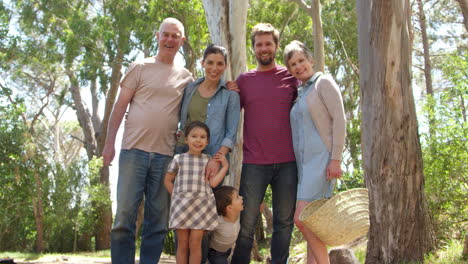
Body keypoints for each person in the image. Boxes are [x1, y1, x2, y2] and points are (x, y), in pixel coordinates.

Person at [102, 17, 193, 264]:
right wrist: (109, 145)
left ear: (182, 41)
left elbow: (198, 105)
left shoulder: (186, 77)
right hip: (133, 152)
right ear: (157, 36)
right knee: (124, 217)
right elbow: (119, 107)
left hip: (165, 156)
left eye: (175, 36)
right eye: (166, 34)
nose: (170, 40)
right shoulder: (140, 67)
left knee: (158, 221)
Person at [231, 23, 300, 264]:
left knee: (283, 223)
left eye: (268, 43)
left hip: (288, 163)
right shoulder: (244, 80)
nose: (264, 48)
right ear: (253, 48)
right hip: (254, 163)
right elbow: (228, 114)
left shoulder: (291, 78)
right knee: (246, 224)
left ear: (276, 46)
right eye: (259, 44)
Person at [283, 40, 346, 264]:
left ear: (311, 60)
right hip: (303, 166)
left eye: (301, 60)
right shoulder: (300, 92)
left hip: (321, 163)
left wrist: (336, 159)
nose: (299, 66)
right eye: (293, 64)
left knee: (302, 219)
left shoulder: (323, 83)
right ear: (289, 70)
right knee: (312, 223)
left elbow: (340, 119)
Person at [164, 121, 229, 264]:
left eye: (202, 137)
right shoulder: (178, 159)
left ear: (207, 141)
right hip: (181, 207)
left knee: (195, 243)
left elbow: (212, 183)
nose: (198, 140)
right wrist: (176, 197)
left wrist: (224, 166)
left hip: (201, 207)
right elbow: (168, 181)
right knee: (182, 243)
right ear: (186, 139)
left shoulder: (208, 160)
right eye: (194, 136)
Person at [177, 44, 240, 170]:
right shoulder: (190, 88)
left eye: (220, 64)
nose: (214, 68)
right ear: (203, 63)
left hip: (212, 159)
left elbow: (231, 133)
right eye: (210, 62)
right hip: (183, 155)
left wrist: (217, 160)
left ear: (225, 66)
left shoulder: (231, 95)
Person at [208, 186, 244, 264]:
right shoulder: (218, 221)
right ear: (229, 208)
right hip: (215, 253)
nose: (241, 197)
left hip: (227, 251)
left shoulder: (237, 214)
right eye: (237, 197)